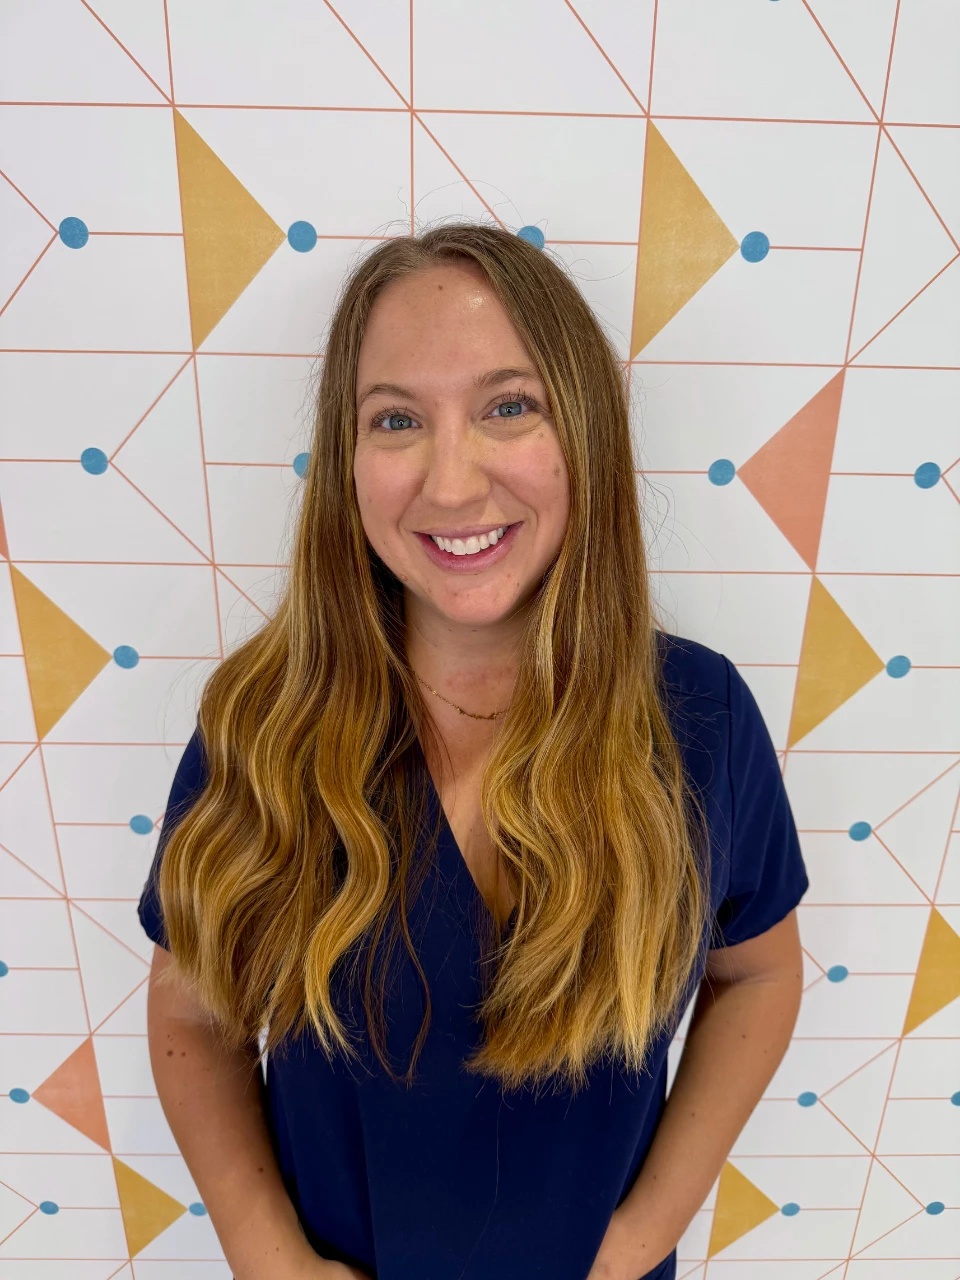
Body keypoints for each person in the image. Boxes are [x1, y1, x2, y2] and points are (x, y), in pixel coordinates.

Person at [138, 223, 808, 1280]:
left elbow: (761, 972)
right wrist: (272, 1260)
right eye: (397, 418)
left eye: (508, 405)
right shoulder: (263, 722)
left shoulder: (702, 718)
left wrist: (641, 1236)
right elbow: (191, 1007)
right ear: (346, 460)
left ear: (581, 427)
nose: (451, 484)